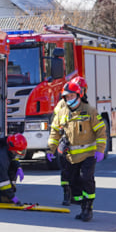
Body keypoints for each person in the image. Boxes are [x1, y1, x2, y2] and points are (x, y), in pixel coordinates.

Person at [46, 78, 106, 221]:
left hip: (89, 154)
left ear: (79, 95)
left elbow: (101, 132)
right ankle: (81, 205)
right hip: (71, 156)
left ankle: (88, 208)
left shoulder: (89, 111)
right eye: (66, 97)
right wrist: (50, 149)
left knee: (86, 179)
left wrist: (100, 149)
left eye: (72, 96)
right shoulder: (61, 113)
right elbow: (54, 132)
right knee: (73, 182)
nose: (69, 99)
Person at [53, 76, 89, 206]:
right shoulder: (65, 103)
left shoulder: (83, 102)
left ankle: (75, 196)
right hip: (67, 141)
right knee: (67, 170)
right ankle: (67, 195)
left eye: (83, 89)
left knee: (75, 172)